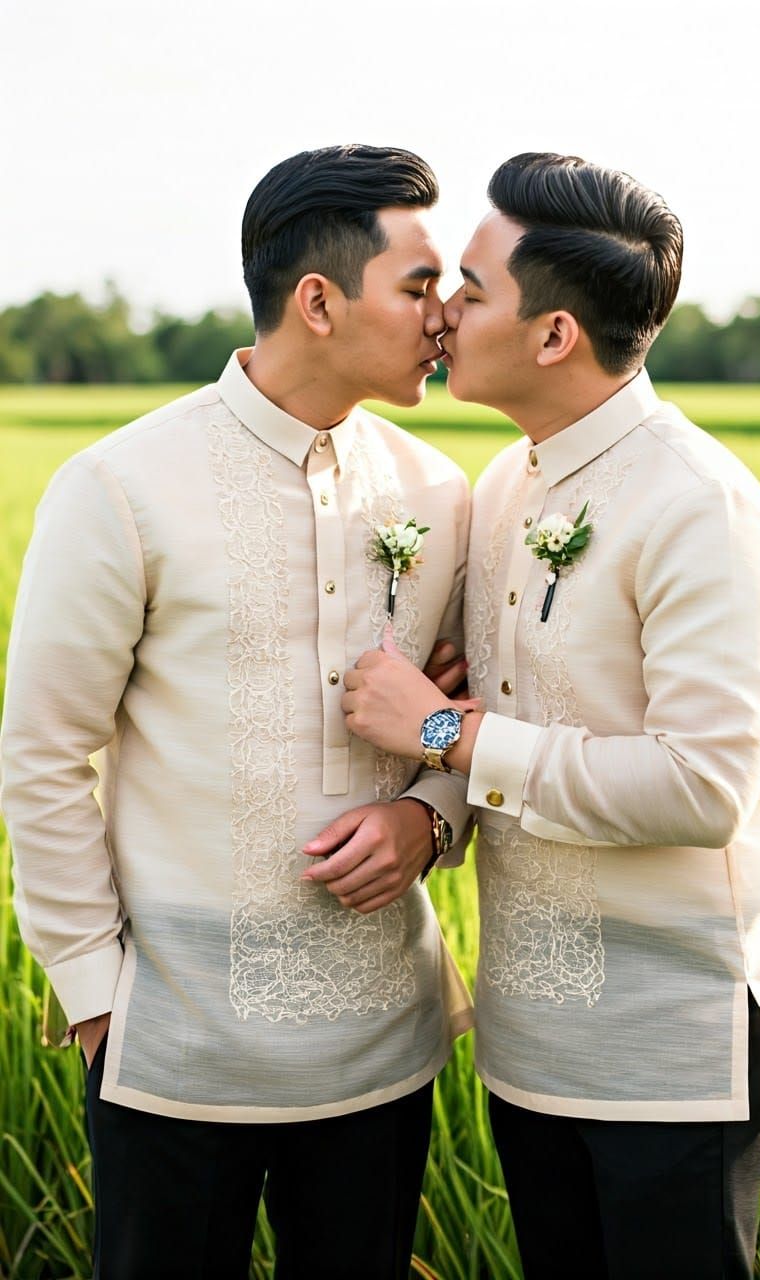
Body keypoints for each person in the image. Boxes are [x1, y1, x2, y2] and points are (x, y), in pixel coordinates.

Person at [0, 144, 476, 1279]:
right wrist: (92, 993)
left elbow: (464, 712)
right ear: (316, 299)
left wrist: (426, 819)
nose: (444, 316)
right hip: (169, 1046)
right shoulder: (121, 484)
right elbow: (43, 749)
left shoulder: (437, 492)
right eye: (416, 285)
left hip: (382, 1044)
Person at [336, 152, 760, 1278]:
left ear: (553, 334)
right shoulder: (503, 486)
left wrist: (446, 732)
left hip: (670, 1043)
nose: (441, 311)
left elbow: (700, 787)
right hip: (530, 1041)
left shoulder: (701, 509)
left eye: (471, 286)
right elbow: (478, 698)